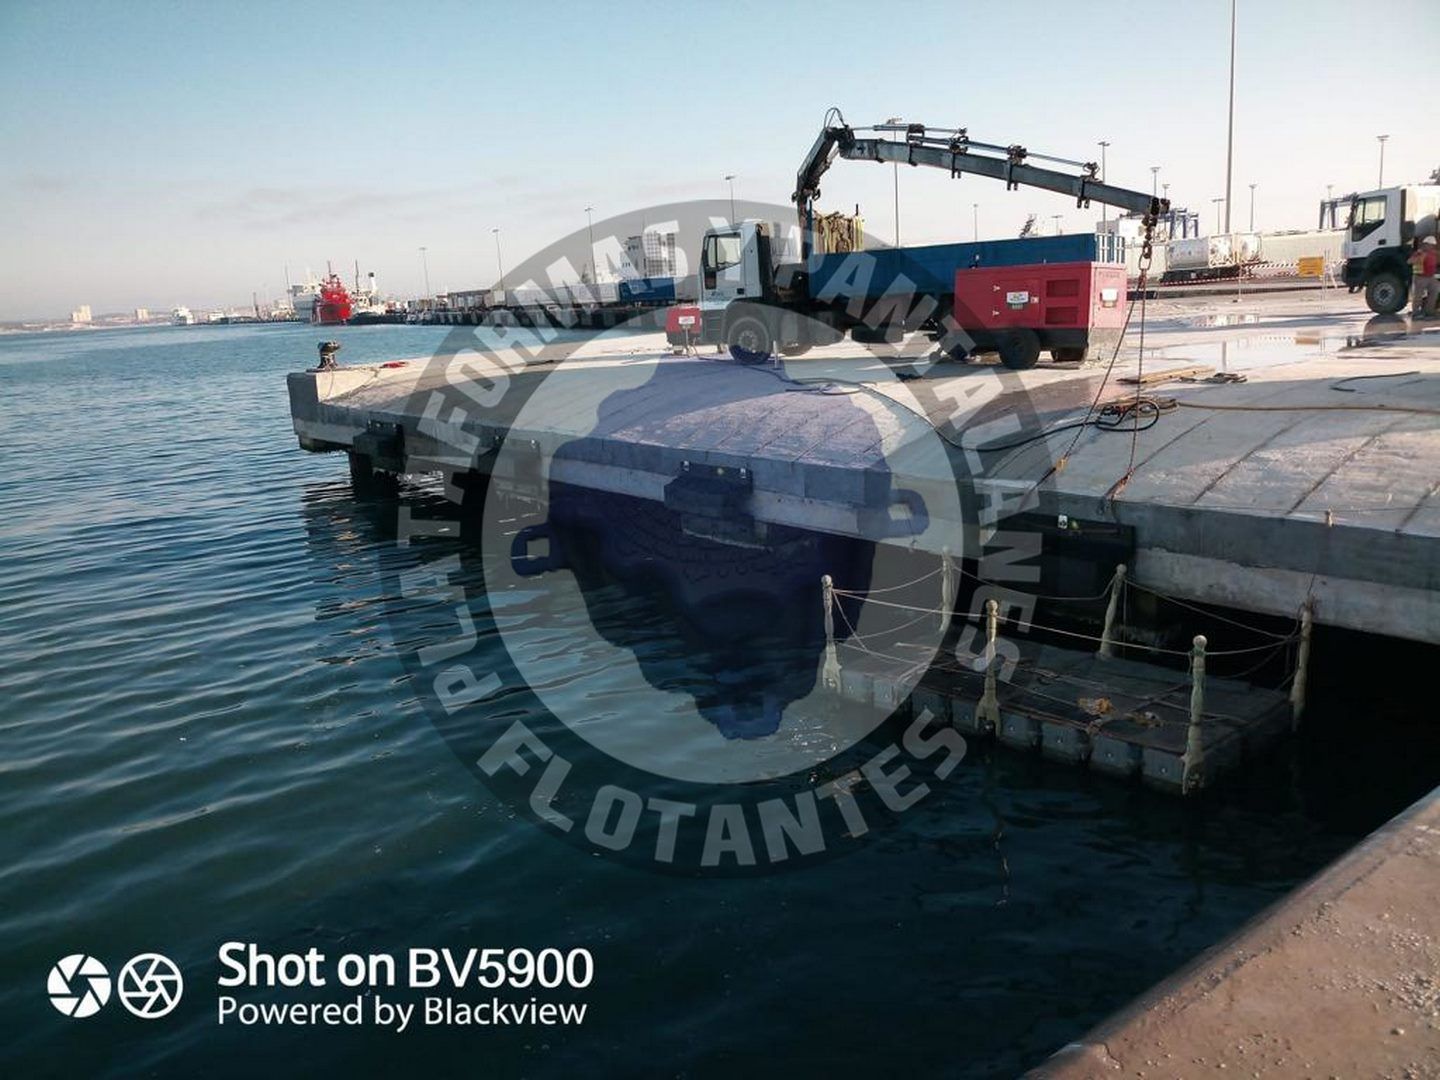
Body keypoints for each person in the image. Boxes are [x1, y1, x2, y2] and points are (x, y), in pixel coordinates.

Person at [1409, 237, 1438, 318]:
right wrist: (1419, 257)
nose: (1432, 246)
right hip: (1420, 277)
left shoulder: (1432, 253)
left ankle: (1429, 311)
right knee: (1418, 295)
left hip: (1430, 277)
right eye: (1430, 245)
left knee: (1435, 290)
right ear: (1426, 244)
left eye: (1433, 245)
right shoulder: (1420, 252)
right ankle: (1415, 313)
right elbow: (1409, 261)